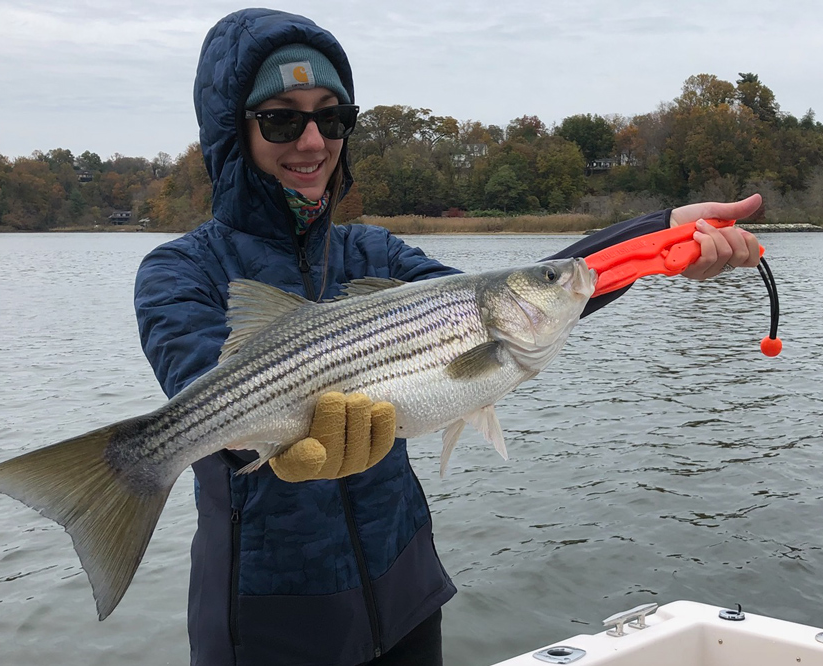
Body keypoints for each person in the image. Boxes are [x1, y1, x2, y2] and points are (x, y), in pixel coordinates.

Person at [133, 8, 763, 666]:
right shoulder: (179, 272)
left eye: (334, 117)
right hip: (265, 623)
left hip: (406, 593)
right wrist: (279, 440)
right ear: (233, 131)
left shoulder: (375, 251)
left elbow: (506, 298)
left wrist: (659, 237)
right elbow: (202, 392)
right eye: (282, 118)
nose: (314, 141)